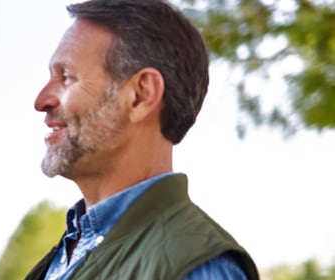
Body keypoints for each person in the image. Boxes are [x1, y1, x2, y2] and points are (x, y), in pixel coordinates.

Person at [24, 0, 259, 279]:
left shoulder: (195, 267)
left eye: (66, 77)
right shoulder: (65, 257)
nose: (41, 101)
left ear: (141, 95)